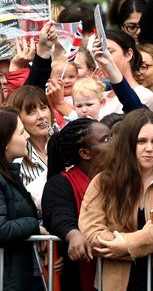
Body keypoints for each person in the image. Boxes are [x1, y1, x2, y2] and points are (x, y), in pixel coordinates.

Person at [79, 109, 153, 290]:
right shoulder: (103, 181)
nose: (149, 148)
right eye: (141, 141)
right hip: (118, 283)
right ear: (128, 142)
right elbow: (92, 232)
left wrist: (128, 245)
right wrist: (146, 242)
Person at [42, 118, 112, 291]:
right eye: (106, 139)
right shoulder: (60, 183)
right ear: (85, 153)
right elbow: (57, 214)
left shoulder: (119, 178)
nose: (114, 143)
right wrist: (73, 234)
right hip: (79, 277)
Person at [0, 107, 41, 289]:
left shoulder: (9, 174)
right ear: (5, 142)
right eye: (21, 132)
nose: (27, 137)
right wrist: (34, 225)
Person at [7, 85, 55, 210]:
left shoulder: (65, 141)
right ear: (18, 119)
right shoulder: (16, 159)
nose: (41, 116)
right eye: (31, 112)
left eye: (43, 108)